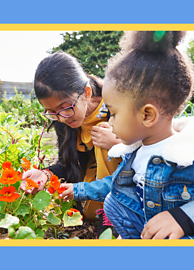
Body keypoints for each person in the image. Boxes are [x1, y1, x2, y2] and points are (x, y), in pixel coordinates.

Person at [60, 31, 194, 239]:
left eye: (113, 113)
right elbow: (114, 186)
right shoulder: (135, 154)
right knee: (113, 202)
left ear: (147, 115)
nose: (110, 121)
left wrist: (185, 219)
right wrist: (78, 190)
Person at [21, 51, 121, 237]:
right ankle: (103, 209)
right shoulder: (64, 119)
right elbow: (67, 165)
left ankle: (113, 212)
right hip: (95, 182)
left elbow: (150, 142)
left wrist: (118, 143)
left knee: (102, 132)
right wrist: (44, 173)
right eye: (51, 112)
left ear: (86, 93)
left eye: (65, 107)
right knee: (89, 210)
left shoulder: (118, 103)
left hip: (128, 181)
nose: (60, 118)